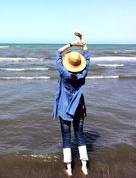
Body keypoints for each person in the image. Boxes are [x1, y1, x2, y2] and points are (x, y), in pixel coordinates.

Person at [53, 31, 90, 176]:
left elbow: (57, 53)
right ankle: (84, 166)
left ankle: (68, 168)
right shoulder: (83, 75)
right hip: (79, 109)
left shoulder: (63, 74)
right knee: (80, 135)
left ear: (67, 64)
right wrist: (83, 41)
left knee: (66, 138)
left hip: (64, 109)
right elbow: (87, 58)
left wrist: (71, 44)